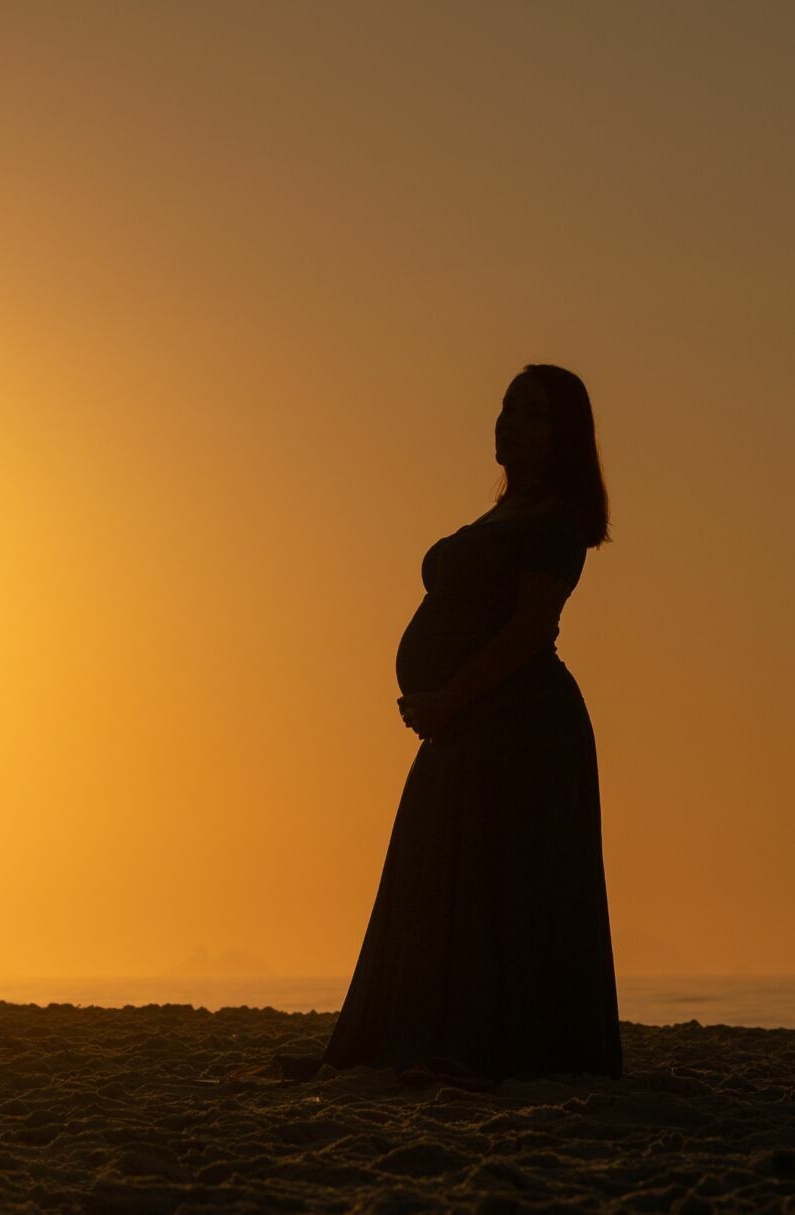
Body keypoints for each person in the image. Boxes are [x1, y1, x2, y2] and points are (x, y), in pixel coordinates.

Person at [319, 363, 623, 1082]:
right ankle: (414, 1037)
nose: (510, 421)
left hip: (520, 728)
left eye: (533, 413)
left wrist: (447, 699)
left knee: (499, 889)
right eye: (508, 407)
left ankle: (493, 1048)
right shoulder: (502, 515)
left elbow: (529, 631)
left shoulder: (555, 523)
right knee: (438, 877)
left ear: (563, 437)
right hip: (468, 726)